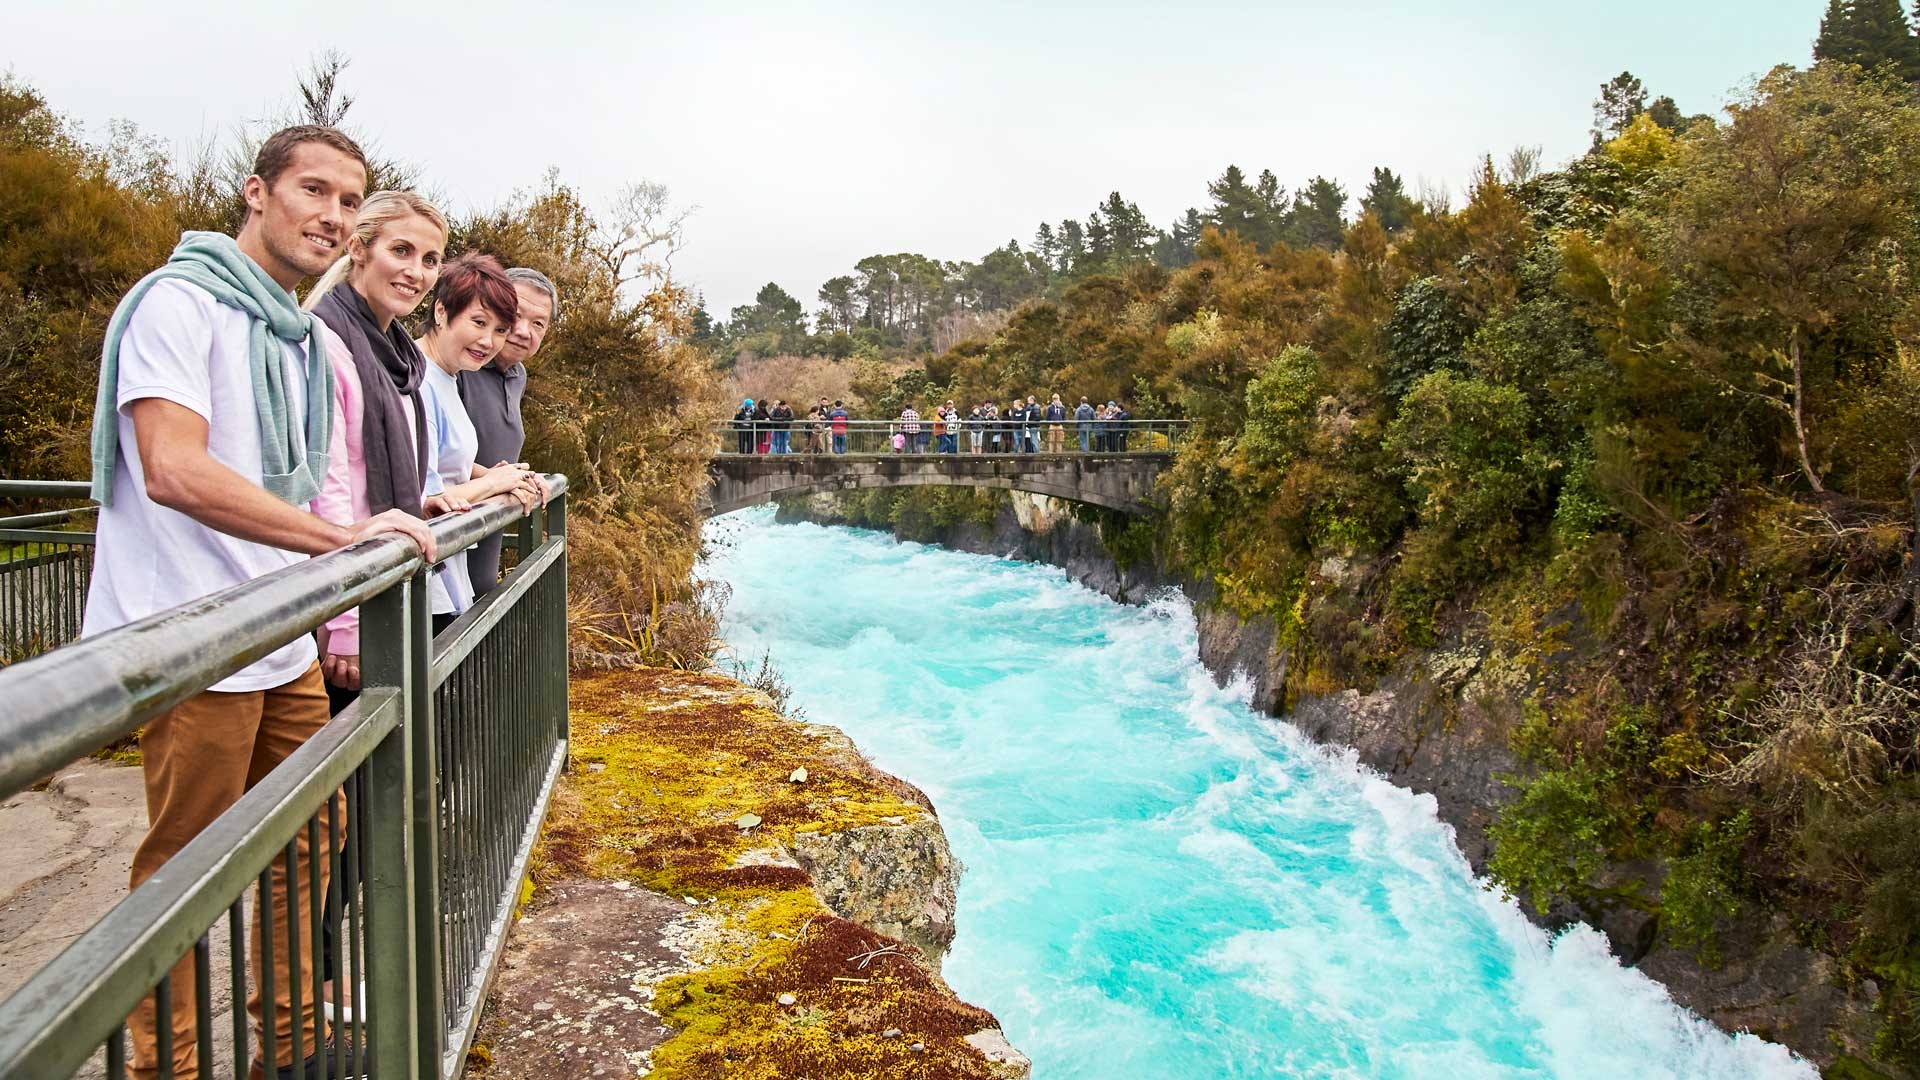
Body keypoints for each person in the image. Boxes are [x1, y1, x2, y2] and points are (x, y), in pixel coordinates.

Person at [82, 124, 435, 1080]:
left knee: (305, 848)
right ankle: (169, 1068)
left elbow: (314, 477)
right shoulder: (178, 304)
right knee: (186, 873)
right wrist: (342, 544)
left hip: (278, 632)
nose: (331, 215)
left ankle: (289, 1051)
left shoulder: (292, 333)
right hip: (192, 634)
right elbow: (172, 468)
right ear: (256, 192)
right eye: (313, 191)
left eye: (349, 200)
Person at [303, 189, 463, 710]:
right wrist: (347, 623)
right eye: (401, 251)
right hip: (349, 598)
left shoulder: (397, 355)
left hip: (389, 579)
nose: (416, 271)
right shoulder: (327, 342)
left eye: (430, 259)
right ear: (358, 248)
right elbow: (326, 485)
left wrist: (422, 503)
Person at [415, 253, 543, 627]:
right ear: (441, 312)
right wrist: (491, 484)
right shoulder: (418, 380)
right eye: (478, 322)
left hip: (445, 574)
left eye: (500, 329)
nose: (489, 340)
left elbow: (439, 458)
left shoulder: (448, 375)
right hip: (421, 581)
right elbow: (424, 498)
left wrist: (499, 477)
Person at [461, 266, 558, 597]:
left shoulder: (518, 376)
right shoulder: (459, 366)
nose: (522, 331)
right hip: (448, 548)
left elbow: (495, 448)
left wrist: (523, 478)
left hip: (488, 551)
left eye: (538, 324)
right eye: (515, 315)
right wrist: (495, 479)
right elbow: (439, 458)